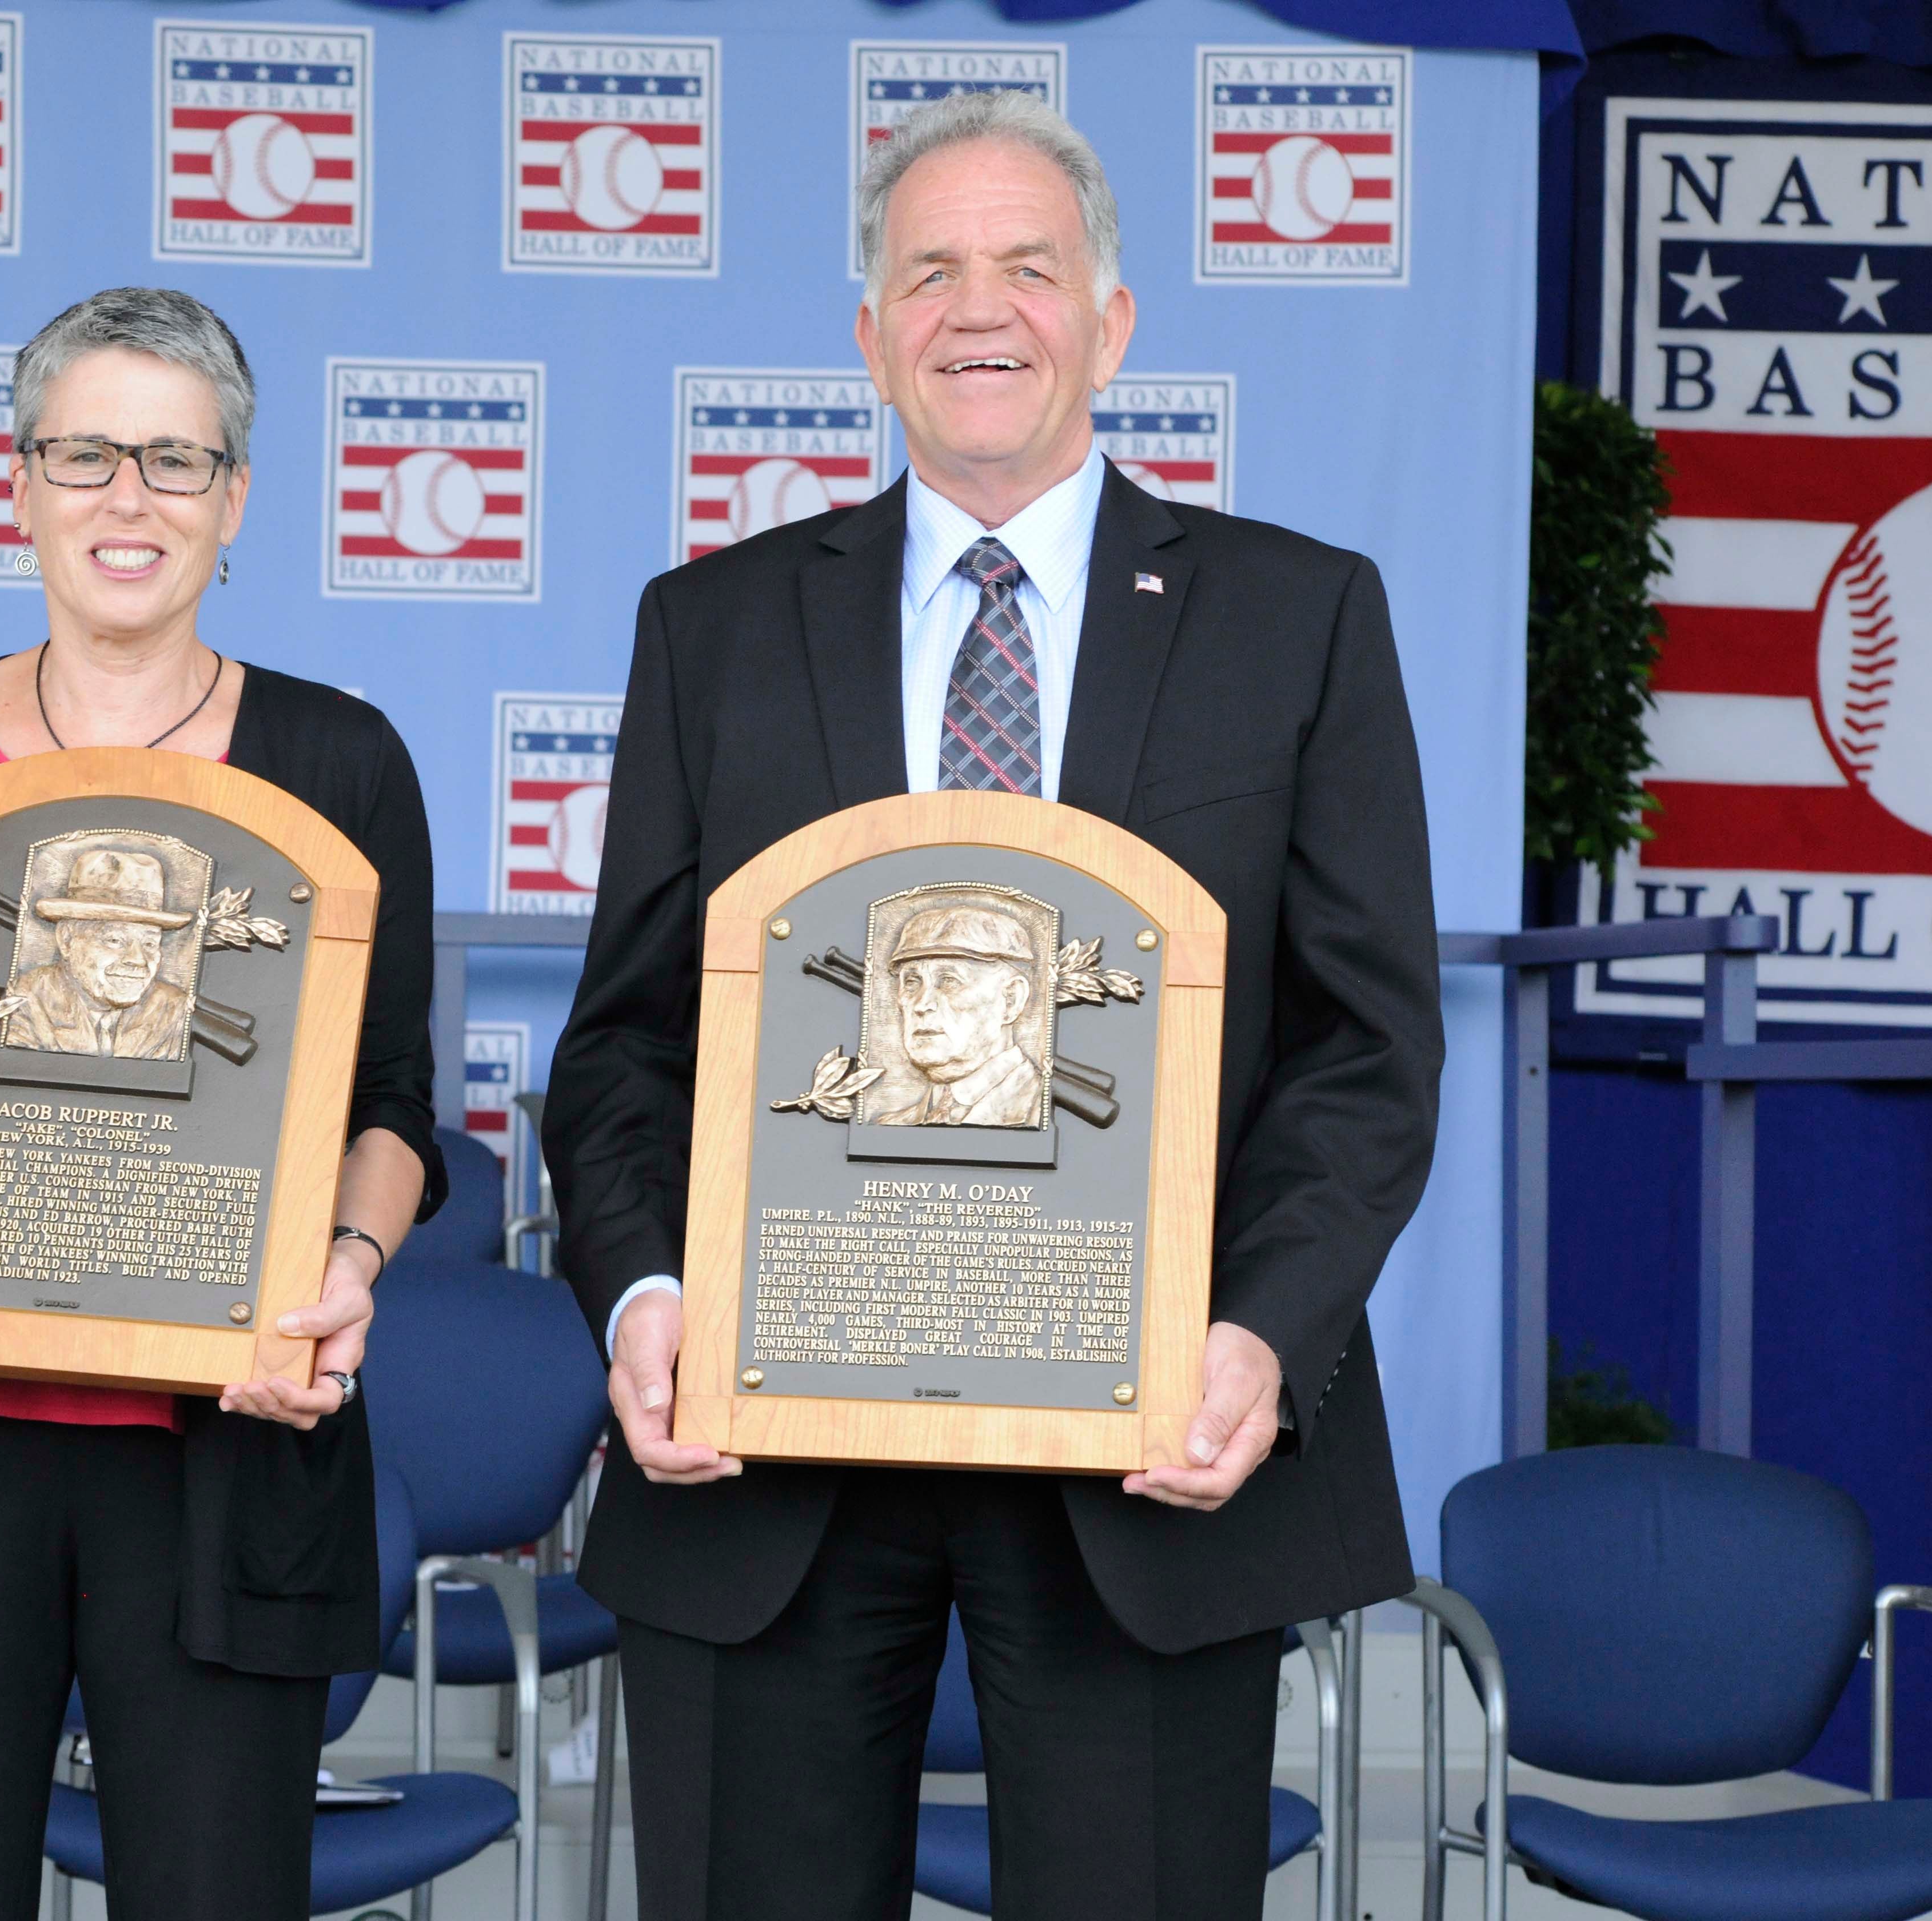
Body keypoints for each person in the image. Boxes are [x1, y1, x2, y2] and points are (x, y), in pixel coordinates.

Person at [546, 90, 1442, 1920]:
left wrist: (1259, 1336)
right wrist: (642, 1289)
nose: (980, 308)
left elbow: (1364, 1047)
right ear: (867, 332)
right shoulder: (708, 628)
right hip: (772, 1455)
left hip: (1148, 1455)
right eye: (929, 269)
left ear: (1111, 321)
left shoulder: (1300, 618)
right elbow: (629, 1036)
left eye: (1029, 267)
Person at [0, 286, 444, 1921]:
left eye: (176, 462)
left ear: (238, 500)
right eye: (86, 456)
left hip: (222, 1458)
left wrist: (349, 1260)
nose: (129, 499)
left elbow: (396, 1099)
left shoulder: (339, 761)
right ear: (22, 482)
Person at [861, 900, 1046, 1128]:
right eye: (911, 982)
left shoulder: (1039, 1108)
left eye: (949, 981)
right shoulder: (889, 1125)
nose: (922, 1004)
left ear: (1011, 1001)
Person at [1, 845, 199, 1057]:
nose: (139, 960)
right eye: (114, 940)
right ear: (67, 939)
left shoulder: (171, 1009)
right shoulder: (23, 1003)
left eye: (150, 944)